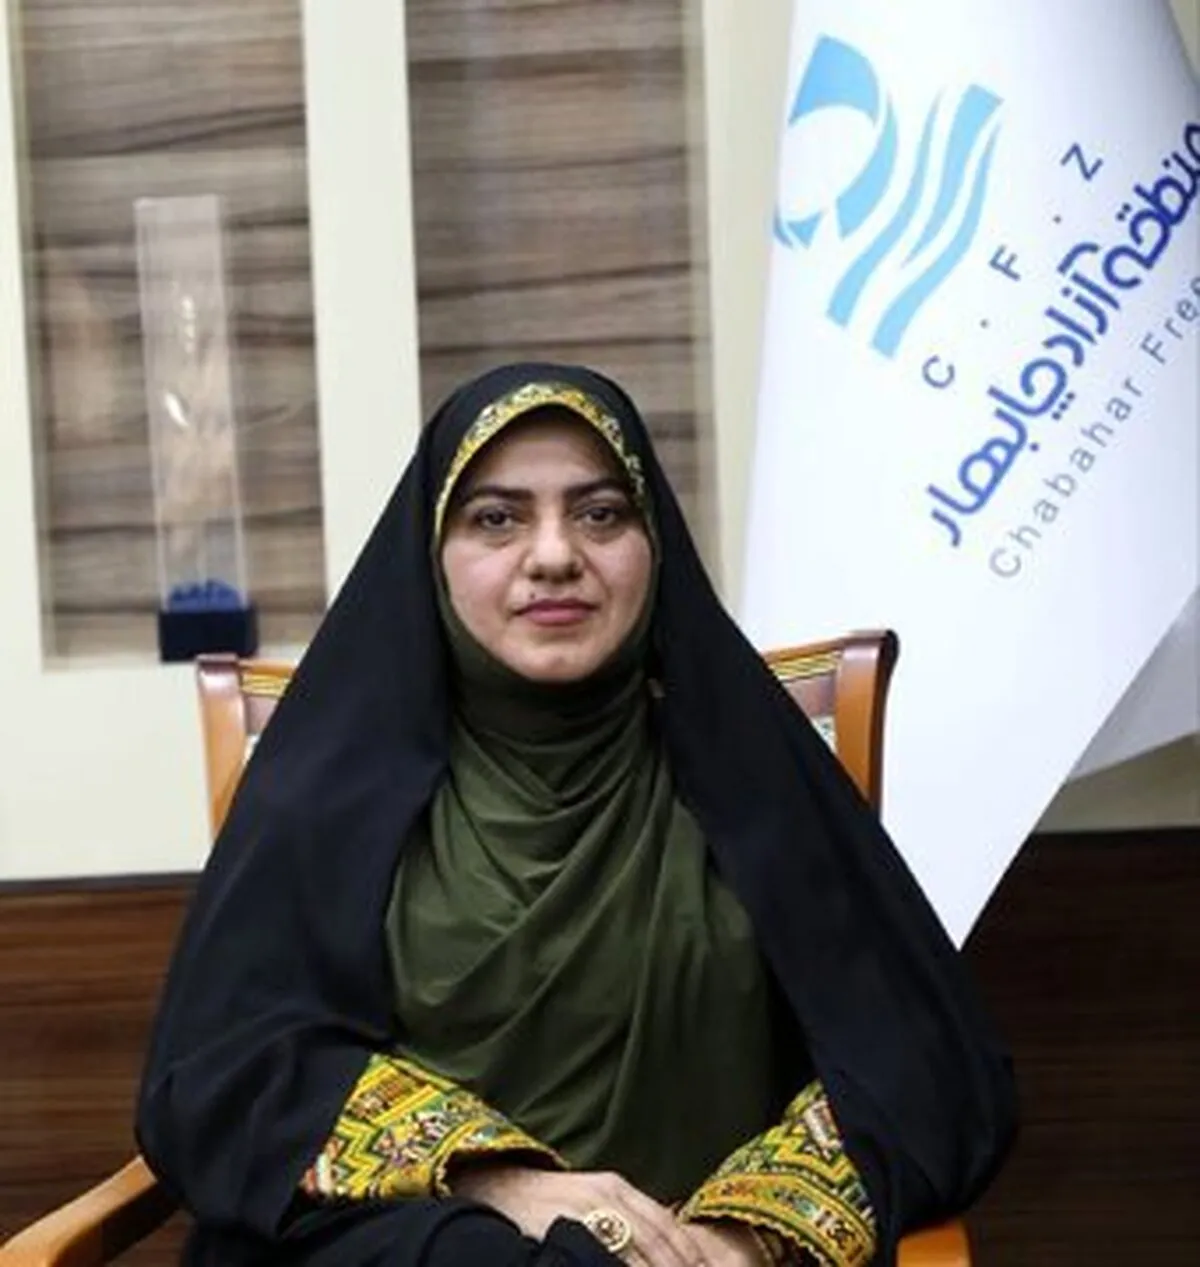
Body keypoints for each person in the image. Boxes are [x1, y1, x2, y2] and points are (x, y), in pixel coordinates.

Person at [136, 363, 1016, 1267]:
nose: (554, 554)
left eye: (600, 514)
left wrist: (742, 1235)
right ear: (431, 555)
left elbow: (926, 1070)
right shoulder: (327, 792)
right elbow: (221, 1080)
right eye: (496, 518)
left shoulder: (757, 778)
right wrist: (498, 1179)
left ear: (654, 543)